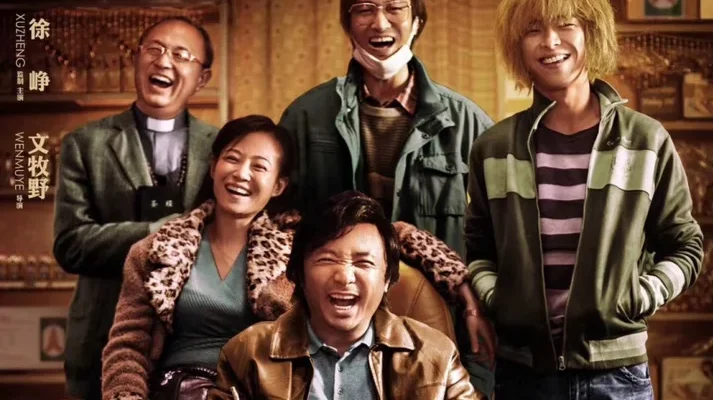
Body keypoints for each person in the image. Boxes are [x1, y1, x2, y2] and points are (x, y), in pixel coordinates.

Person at [465, 0, 704, 399]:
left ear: (592, 33)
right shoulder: (493, 148)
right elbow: (478, 250)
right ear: (516, 44)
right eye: (533, 29)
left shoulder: (645, 140)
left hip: (618, 378)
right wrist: (498, 299)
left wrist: (638, 297)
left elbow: (686, 246)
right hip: (522, 374)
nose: (550, 41)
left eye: (565, 25)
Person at [279, 1, 496, 390]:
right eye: (364, 9)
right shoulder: (306, 116)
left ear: (417, 20)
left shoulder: (466, 123)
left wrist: (475, 300)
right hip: (329, 330)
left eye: (395, 7)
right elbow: (279, 226)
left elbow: (495, 238)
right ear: (348, 23)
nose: (380, 22)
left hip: (440, 327)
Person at [53, 16, 217, 399]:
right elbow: (70, 244)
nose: (164, 61)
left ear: (202, 78)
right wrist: (160, 233)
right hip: (102, 337)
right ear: (136, 60)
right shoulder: (85, 144)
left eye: (181, 55)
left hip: (192, 346)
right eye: (154, 49)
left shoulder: (221, 148)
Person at [211, 191, 483, 399]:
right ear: (298, 274)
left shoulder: (437, 357)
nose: (344, 276)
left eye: (363, 263)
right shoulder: (247, 355)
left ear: (388, 279)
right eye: (327, 260)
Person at [101, 115, 297, 399]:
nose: (241, 174)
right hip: (175, 390)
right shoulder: (155, 250)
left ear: (278, 185)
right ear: (213, 166)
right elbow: (128, 346)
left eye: (259, 166)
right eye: (232, 159)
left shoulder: (295, 258)